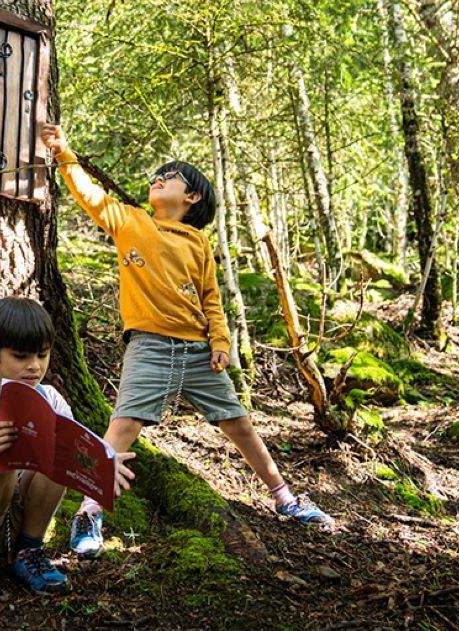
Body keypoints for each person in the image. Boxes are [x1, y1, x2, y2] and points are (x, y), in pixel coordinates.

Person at [40, 123, 337, 559]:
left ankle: (285, 497)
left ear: (192, 197)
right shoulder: (131, 221)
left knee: (238, 422)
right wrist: (64, 154)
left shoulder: (198, 242)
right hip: (148, 347)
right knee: (123, 424)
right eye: (157, 175)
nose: (159, 178)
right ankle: (89, 510)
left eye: (171, 176)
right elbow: (90, 196)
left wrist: (221, 342)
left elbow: (211, 299)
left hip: (198, 351)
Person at [0, 296, 134, 598]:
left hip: (20, 518)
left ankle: (30, 551)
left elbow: (75, 452)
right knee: (0, 457)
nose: (34, 366)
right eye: (21, 356)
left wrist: (100, 465)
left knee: (58, 454)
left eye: (42, 354)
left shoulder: (51, 400)